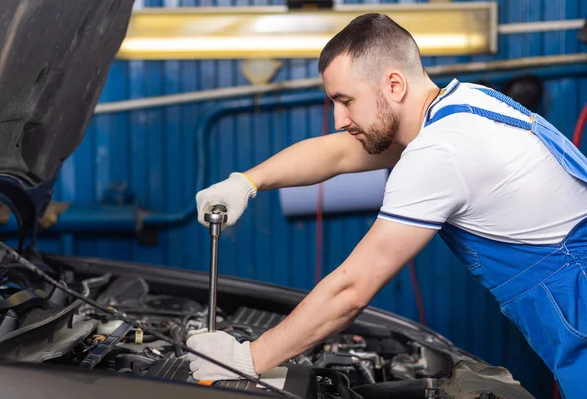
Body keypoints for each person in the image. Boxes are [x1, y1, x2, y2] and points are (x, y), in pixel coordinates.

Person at [188, 12, 587, 399]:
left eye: (346, 101)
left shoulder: (440, 152)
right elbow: (337, 155)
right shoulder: (461, 106)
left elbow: (351, 291)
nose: (339, 119)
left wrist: (246, 358)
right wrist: (247, 181)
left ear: (394, 84)